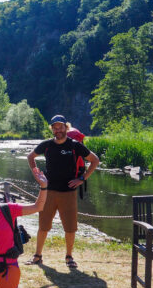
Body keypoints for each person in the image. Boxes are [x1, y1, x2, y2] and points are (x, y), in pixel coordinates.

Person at [26, 115, 100, 269]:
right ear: (52, 129)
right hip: (48, 192)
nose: (57, 130)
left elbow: (95, 160)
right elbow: (30, 157)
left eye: (60, 127)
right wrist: (36, 174)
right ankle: (37, 256)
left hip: (69, 192)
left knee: (70, 227)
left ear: (66, 127)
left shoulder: (74, 145)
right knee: (43, 225)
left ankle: (69, 257)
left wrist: (83, 178)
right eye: (55, 127)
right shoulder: (46, 145)